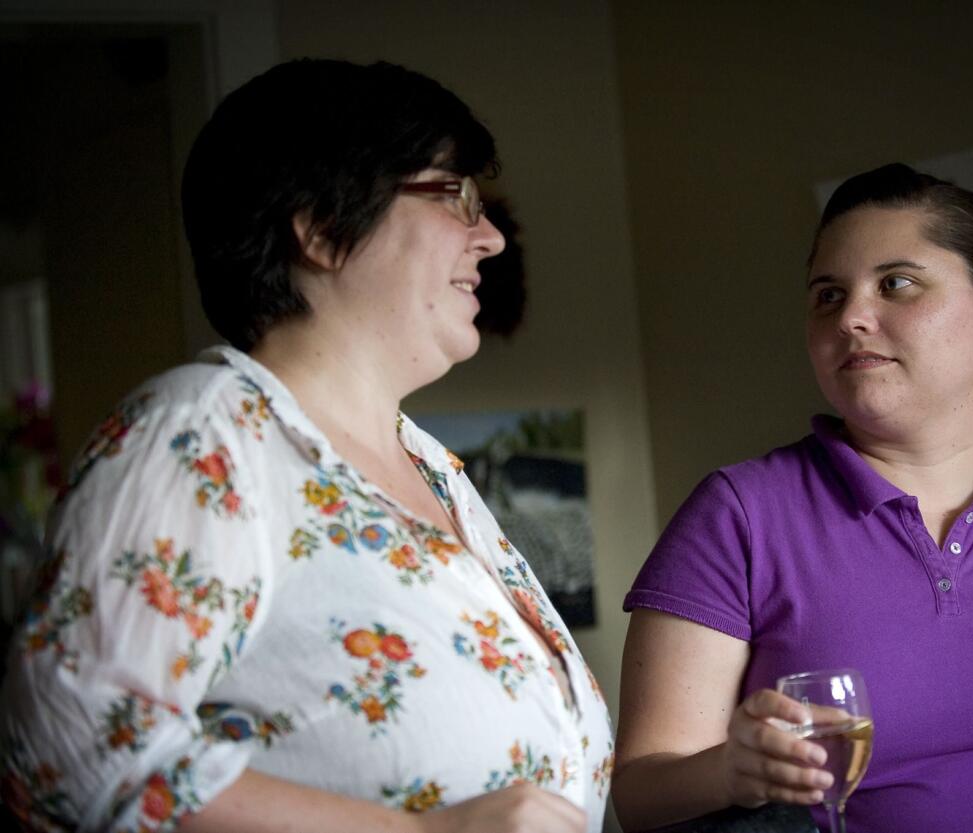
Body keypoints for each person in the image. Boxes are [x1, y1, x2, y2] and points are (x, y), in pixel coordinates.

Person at [0, 59, 610, 833]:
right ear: (321, 227)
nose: (489, 236)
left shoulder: (423, 461)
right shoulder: (202, 432)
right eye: (453, 193)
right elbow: (63, 742)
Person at [612, 164, 973, 832]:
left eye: (895, 283)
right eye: (828, 295)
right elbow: (639, 789)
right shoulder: (738, 515)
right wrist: (729, 770)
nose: (852, 317)